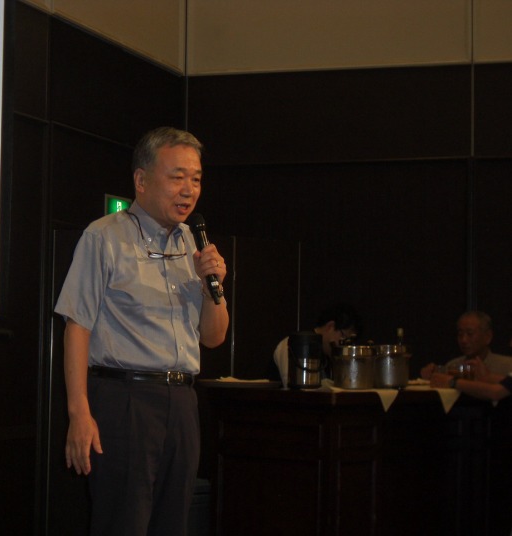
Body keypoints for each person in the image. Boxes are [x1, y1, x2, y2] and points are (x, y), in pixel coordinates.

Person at [54, 126, 230, 536]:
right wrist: (79, 412)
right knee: (124, 523)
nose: (188, 190)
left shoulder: (194, 244)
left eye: (196, 179)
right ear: (141, 179)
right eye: (177, 177)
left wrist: (214, 287)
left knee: (174, 524)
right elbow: (77, 326)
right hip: (125, 400)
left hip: (182, 402)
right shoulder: (104, 236)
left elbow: (214, 337)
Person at [272, 303, 360, 387]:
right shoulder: (293, 344)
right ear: (330, 326)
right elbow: (292, 386)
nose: (344, 346)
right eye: (343, 337)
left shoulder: (327, 355)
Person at [421, 310, 512, 380]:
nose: (464, 340)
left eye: (470, 334)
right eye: (460, 334)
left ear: (488, 337)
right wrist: (431, 378)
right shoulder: (453, 366)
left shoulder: (507, 366)